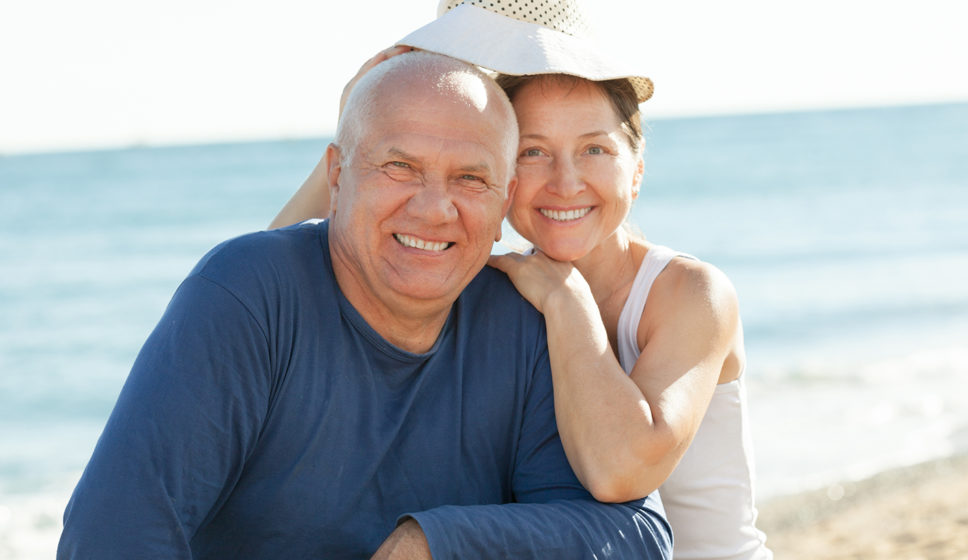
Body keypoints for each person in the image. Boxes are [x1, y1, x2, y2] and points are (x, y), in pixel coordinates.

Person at [58, 51, 672, 559]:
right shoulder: (245, 295)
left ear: (505, 197)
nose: (435, 209)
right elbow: (115, 533)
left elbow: (635, 538)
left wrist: (435, 544)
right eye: (399, 167)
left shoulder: (523, 322)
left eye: (470, 178)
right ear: (337, 173)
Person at [271, 1, 773, 558]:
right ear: (499, 172)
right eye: (534, 151)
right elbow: (284, 290)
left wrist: (566, 298)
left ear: (636, 169)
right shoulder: (497, 282)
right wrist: (355, 133)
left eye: (595, 149)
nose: (566, 182)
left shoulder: (690, 293)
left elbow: (620, 472)